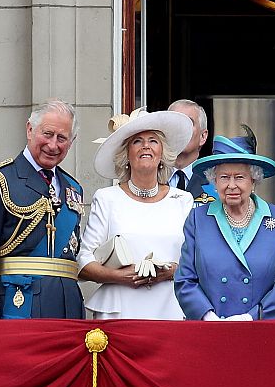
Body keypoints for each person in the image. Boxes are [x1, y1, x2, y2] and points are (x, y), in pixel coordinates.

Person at [0, 99, 85, 319]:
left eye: (62, 138)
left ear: (72, 141)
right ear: (30, 130)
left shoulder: (73, 188)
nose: (53, 145)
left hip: (67, 308)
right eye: (47, 134)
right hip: (18, 306)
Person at [77, 109, 195, 319]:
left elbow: (196, 261)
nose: (146, 146)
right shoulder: (107, 198)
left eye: (153, 140)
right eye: (137, 141)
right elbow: (84, 261)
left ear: (162, 155)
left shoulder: (183, 200)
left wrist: (172, 271)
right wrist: (119, 276)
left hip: (170, 311)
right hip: (119, 313)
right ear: (127, 156)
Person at [175, 127, 275, 320]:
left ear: (254, 180)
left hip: (260, 329)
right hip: (210, 330)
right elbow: (185, 279)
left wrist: (251, 317)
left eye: (239, 177)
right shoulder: (198, 219)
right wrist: (207, 316)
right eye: (224, 177)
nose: (231, 185)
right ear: (214, 181)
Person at [166, 99, 211, 200]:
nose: (180, 128)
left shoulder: (215, 183)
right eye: (174, 123)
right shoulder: (149, 179)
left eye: (188, 122)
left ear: (203, 136)